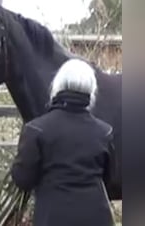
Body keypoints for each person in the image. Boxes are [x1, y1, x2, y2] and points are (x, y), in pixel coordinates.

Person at [11, 59, 116, 226]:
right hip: (97, 218)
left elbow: (22, 178)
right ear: (91, 89)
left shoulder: (36, 130)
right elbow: (109, 178)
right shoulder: (104, 132)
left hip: (52, 217)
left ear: (57, 86)